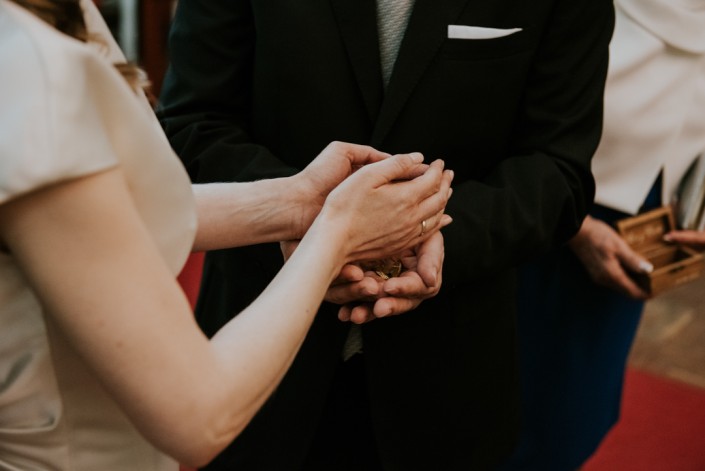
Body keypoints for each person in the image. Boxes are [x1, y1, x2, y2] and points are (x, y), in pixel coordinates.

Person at [158, 0, 615, 469]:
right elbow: (191, 125)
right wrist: (315, 228)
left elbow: (558, 171)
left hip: (445, 373)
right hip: (258, 355)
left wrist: (429, 235)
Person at [0, 0, 454, 469]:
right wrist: (337, 231)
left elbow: (98, 214)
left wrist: (296, 204)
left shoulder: (51, 19)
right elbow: (198, 415)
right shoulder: (33, 68)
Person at [503, 0, 705, 469]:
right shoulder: (585, 14)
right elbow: (508, 121)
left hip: (639, 235)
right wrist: (573, 226)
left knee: (573, 416)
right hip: (540, 223)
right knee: (503, 410)